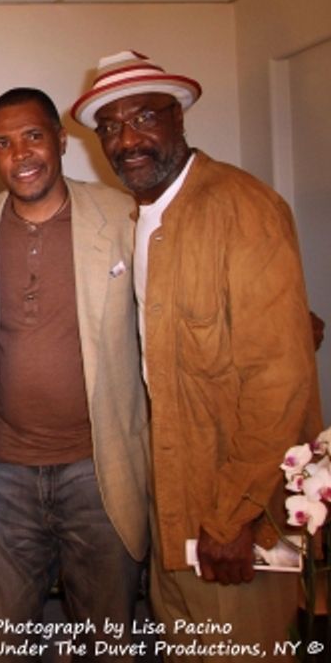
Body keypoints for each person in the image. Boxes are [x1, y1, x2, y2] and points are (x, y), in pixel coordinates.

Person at [72, 50, 322, 657]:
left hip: (235, 509)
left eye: (143, 118)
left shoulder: (241, 208)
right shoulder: (144, 219)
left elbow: (279, 379)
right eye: (110, 125)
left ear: (178, 118)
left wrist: (236, 517)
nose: (127, 139)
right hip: (175, 499)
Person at [0, 87, 148, 660]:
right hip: (1, 474)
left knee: (108, 637)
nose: (20, 153)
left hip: (97, 468)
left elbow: (173, 309)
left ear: (60, 141)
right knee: (7, 643)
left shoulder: (123, 217)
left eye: (32, 136)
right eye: (4, 142)